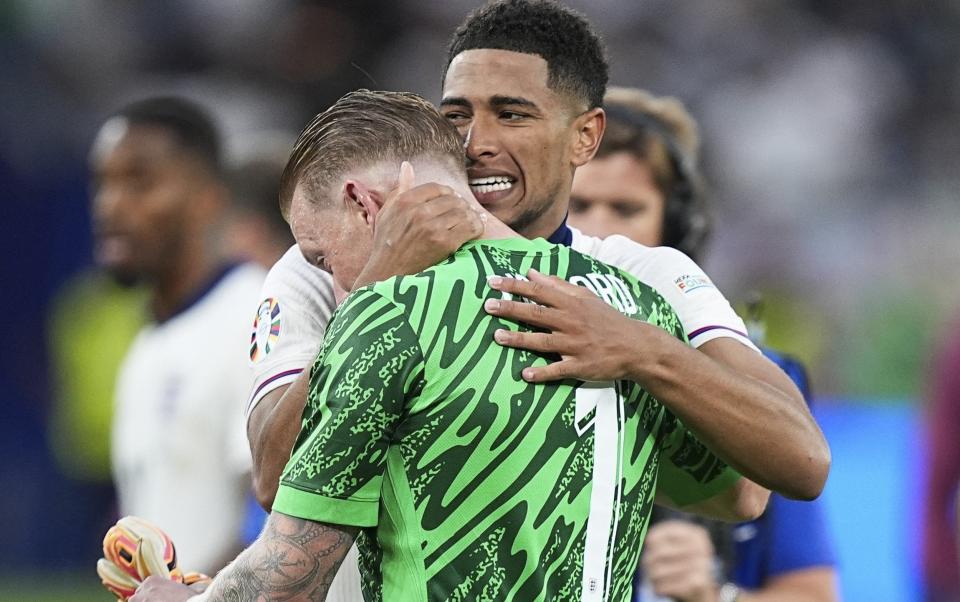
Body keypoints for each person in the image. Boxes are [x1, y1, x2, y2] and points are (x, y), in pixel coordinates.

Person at [135, 86, 770, 602]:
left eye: (323, 254)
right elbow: (740, 489)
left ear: (364, 204)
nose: (327, 278)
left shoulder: (384, 316)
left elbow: (291, 571)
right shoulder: (632, 309)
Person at [569, 86, 839, 602]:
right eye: (577, 206)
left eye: (626, 210)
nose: (599, 232)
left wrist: (716, 595)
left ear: (678, 230)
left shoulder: (763, 385)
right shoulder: (491, 351)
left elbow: (813, 592)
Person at [91, 96, 266, 574]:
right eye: (102, 183)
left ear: (209, 196)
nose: (109, 205)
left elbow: (281, 509)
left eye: (139, 182)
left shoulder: (255, 315)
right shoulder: (150, 343)